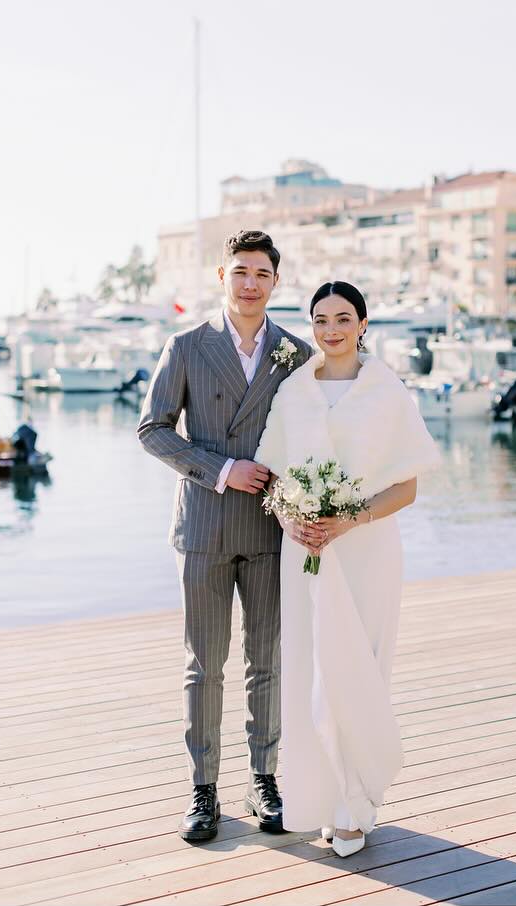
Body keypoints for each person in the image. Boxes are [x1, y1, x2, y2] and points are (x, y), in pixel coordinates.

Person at [138, 229, 312, 844]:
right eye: (240, 271)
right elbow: (152, 429)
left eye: (261, 274)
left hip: (270, 528)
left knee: (267, 662)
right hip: (206, 527)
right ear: (222, 277)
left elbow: (312, 436)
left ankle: (264, 778)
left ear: (274, 282)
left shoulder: (295, 351)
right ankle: (203, 788)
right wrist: (221, 470)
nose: (249, 283)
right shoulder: (186, 346)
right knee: (204, 665)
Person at [254, 281, 441, 853]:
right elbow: (278, 475)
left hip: (366, 547)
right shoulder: (294, 390)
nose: (330, 330)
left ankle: (356, 806)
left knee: (360, 668)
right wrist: (293, 520)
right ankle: (317, 802)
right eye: (319, 319)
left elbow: (405, 487)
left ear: (363, 323)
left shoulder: (388, 392)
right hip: (305, 546)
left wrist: (347, 519)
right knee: (311, 668)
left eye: (342, 318)